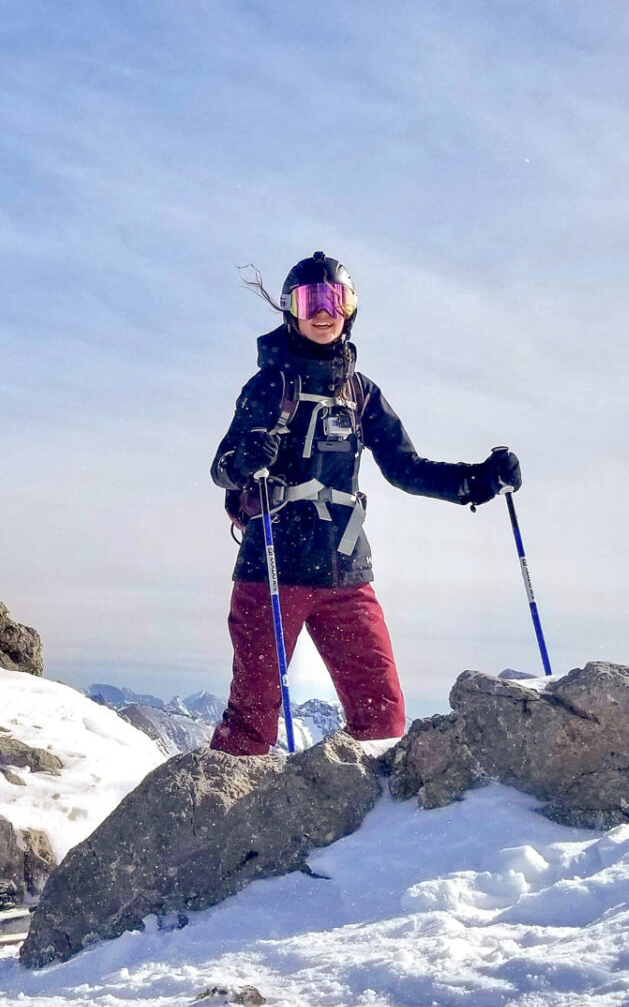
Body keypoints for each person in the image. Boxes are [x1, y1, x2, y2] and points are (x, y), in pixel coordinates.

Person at [209, 251, 520, 756]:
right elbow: (222, 467)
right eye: (312, 300)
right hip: (272, 568)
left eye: (336, 298)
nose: (324, 312)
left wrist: (477, 482)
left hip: (345, 573)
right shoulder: (268, 387)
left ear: (351, 309)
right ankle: (223, 822)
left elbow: (406, 468)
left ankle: (374, 835)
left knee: (382, 715)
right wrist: (245, 459)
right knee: (252, 720)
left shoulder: (362, 394)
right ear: (291, 309)